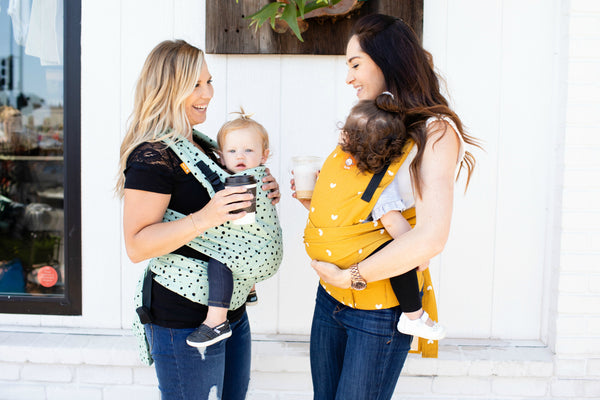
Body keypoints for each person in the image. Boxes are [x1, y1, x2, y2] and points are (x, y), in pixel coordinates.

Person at [291, 14, 479, 399]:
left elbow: (431, 236)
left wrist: (353, 276)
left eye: (355, 64)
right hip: (331, 298)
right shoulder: (372, 120)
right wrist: (314, 202)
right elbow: (361, 211)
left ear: (387, 59)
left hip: (375, 309)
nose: (349, 78)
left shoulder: (435, 131)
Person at [115, 39, 282, 400]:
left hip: (229, 309)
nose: (207, 93)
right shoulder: (152, 155)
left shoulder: (203, 144)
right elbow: (137, 245)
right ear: (168, 88)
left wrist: (264, 191)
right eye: (195, 84)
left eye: (209, 81)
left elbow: (229, 210)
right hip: (184, 318)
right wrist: (206, 216)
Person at [340, 97, 446, 341]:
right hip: (366, 248)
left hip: (346, 248)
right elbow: (392, 221)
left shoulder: (343, 171)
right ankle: (413, 316)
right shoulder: (379, 182)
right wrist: (418, 252)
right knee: (399, 256)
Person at [186, 110, 272, 348]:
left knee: (220, 258)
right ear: (221, 157)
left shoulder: (245, 180)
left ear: (264, 155)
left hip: (255, 244)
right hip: (255, 245)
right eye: (232, 151)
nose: (240, 156)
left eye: (248, 150)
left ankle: (217, 320)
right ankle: (249, 288)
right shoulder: (254, 175)